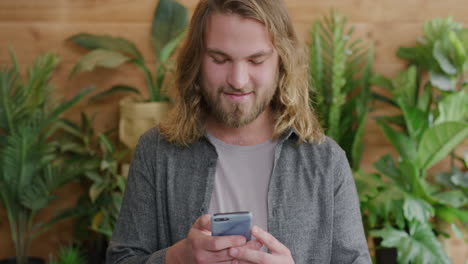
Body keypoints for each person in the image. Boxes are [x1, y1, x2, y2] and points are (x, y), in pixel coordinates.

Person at [106, 0, 371, 263]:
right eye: (220, 59)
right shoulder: (157, 151)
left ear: (282, 62)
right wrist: (177, 258)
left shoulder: (326, 161)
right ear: (197, 60)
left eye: (256, 60)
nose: (238, 80)